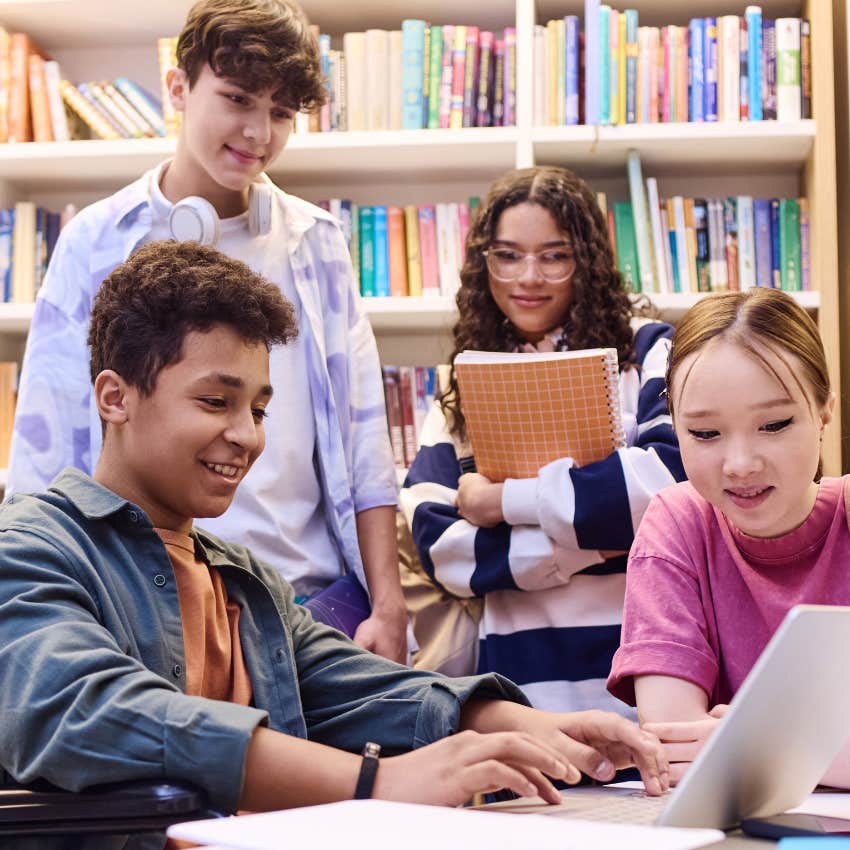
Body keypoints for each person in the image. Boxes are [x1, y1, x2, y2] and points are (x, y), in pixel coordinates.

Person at [0, 241, 668, 850]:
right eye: (214, 401)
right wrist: (377, 784)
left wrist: (529, 726)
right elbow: (95, 711)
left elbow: (361, 688)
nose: (247, 436)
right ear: (114, 398)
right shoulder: (30, 547)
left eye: (259, 410)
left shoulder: (243, 580)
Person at [5, 0, 407, 661]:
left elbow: (365, 444)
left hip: (305, 604)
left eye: (281, 112)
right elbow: (42, 458)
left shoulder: (318, 245)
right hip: (139, 607)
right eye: (238, 98)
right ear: (177, 88)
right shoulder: (94, 242)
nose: (258, 131)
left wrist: (388, 607)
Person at [400, 166, 685, 714]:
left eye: (554, 255)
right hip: (519, 684)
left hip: (645, 664)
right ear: (484, 263)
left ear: (588, 260)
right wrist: (598, 545)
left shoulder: (651, 351)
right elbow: (439, 546)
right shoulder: (465, 378)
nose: (528, 277)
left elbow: (671, 486)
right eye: (507, 255)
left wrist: (498, 504)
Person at [607, 287, 850, 786]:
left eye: (775, 424)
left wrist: (751, 747)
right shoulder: (677, 524)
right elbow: (674, 748)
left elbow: (712, 756)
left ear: (824, 414)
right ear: (675, 427)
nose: (740, 464)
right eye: (705, 434)